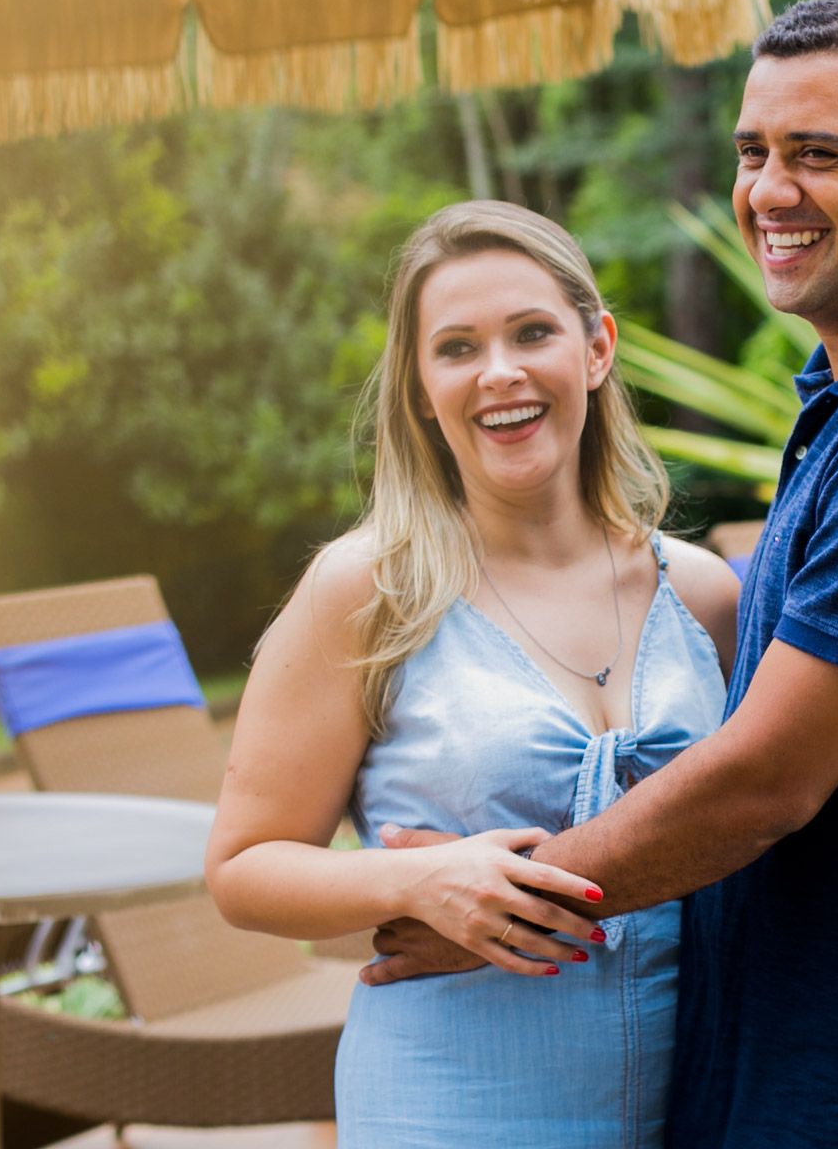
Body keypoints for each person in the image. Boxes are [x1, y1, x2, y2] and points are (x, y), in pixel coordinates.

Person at [368, 0, 838, 1146]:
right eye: (754, 151)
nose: (768, 190)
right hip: (826, 1065)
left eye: (820, 153)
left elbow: (764, 781)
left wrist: (495, 907)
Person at [204, 199, 741, 1146]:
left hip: (696, 1095)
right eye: (456, 348)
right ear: (418, 386)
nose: (501, 373)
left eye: (533, 332)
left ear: (597, 349)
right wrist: (414, 885)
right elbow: (244, 869)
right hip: (452, 1104)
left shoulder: (703, 596)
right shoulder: (368, 589)